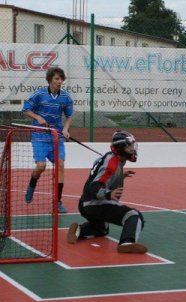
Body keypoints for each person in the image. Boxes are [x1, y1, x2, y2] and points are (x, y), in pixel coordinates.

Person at [67, 130, 147, 254]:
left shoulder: (112, 159)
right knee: (133, 215)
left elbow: (102, 176)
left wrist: (120, 175)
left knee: (101, 230)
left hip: (85, 204)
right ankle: (127, 243)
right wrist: (109, 194)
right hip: (93, 203)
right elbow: (94, 186)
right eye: (129, 145)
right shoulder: (111, 163)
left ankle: (79, 231)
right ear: (120, 147)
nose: (132, 148)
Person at [22, 67, 73, 213]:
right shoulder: (39, 94)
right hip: (39, 136)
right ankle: (32, 184)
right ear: (50, 79)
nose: (59, 81)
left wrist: (65, 129)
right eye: (57, 79)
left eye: (61, 79)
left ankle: (57, 202)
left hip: (56, 136)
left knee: (60, 165)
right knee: (41, 166)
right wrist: (38, 118)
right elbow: (26, 109)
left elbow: (69, 116)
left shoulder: (65, 97)